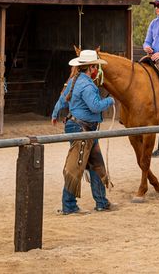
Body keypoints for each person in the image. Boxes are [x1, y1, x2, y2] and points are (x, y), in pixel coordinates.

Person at [51, 49, 115, 215]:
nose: (96, 70)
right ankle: (69, 205)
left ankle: (101, 202)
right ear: (92, 68)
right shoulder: (87, 85)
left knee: (95, 165)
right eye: (95, 67)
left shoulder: (74, 81)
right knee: (76, 166)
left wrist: (55, 113)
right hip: (83, 128)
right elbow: (95, 106)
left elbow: (62, 100)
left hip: (81, 127)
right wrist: (109, 100)